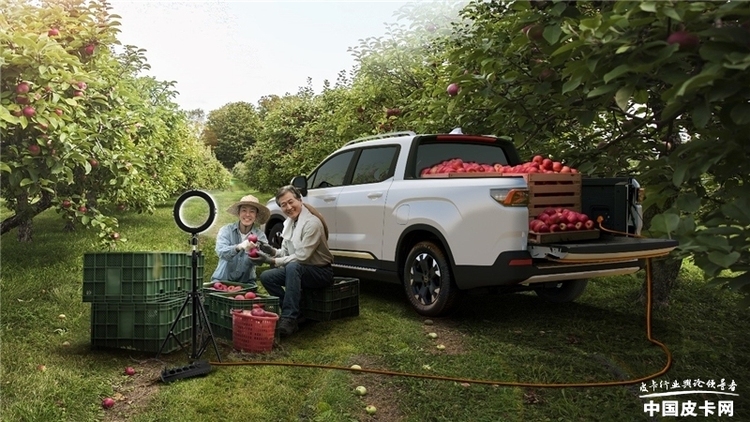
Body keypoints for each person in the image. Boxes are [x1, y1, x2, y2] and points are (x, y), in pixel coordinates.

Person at [249, 185, 334, 336]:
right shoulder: (289, 223)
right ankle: (298, 312)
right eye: (283, 205)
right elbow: (286, 252)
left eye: (291, 202)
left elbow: (302, 257)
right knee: (266, 277)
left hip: (320, 272)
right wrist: (271, 250)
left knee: (293, 267)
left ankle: (289, 318)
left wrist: (271, 261)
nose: (288, 207)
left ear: (300, 200)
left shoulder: (311, 223)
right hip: (299, 269)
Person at [210, 194, 271, 291]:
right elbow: (221, 252)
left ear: (256, 215)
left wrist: (255, 253)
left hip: (246, 284)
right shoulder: (226, 230)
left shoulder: (260, 236)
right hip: (222, 282)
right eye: (244, 210)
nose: (247, 214)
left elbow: (261, 261)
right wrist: (239, 247)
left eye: (252, 211)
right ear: (238, 213)